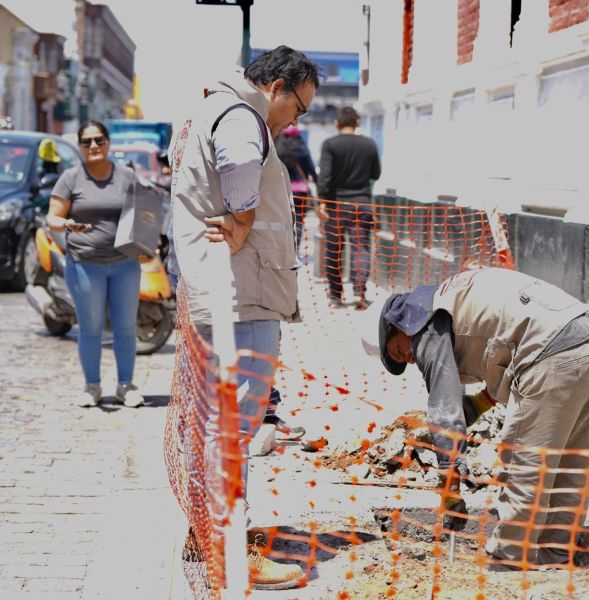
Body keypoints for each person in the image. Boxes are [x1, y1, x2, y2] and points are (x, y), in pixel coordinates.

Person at [170, 45, 319, 590]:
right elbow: (237, 164)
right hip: (241, 293)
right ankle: (229, 548)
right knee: (233, 427)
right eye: (298, 106)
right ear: (277, 87)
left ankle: (209, 532)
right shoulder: (239, 115)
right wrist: (244, 218)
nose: (295, 120)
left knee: (215, 425)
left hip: (228, 289)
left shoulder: (214, 107)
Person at [360, 267, 589, 568]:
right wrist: (480, 403)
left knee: (525, 468)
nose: (410, 358)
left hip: (556, 357)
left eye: (398, 351)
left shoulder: (423, 323)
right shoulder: (449, 298)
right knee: (572, 464)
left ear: (397, 324)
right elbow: (507, 346)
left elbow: (444, 407)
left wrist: (450, 484)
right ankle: (557, 557)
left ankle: (508, 562)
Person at [46, 121, 145, 409]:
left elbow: (144, 213)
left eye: (99, 140)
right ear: (79, 146)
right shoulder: (70, 178)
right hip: (84, 264)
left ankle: (126, 385)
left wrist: (149, 245)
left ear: (108, 142)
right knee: (90, 327)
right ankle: (92, 386)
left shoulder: (127, 176)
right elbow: (52, 217)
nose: (93, 146)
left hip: (125, 263)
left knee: (125, 327)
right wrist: (67, 224)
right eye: (87, 141)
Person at [317, 106, 381, 310]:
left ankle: (336, 295)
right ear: (357, 122)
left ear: (337, 124)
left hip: (336, 206)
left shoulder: (330, 144)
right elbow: (376, 174)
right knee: (361, 249)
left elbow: (324, 178)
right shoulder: (369, 144)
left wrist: (322, 203)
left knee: (334, 250)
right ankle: (360, 293)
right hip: (362, 205)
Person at [274, 125, 317, 249]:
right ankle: (294, 249)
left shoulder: (277, 146)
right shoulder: (301, 146)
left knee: (280, 219)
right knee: (297, 222)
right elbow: (310, 167)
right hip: (299, 191)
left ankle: (281, 248)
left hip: (280, 190)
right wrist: (316, 182)